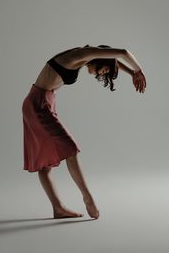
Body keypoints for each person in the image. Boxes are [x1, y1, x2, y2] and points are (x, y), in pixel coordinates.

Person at [22, 44, 147, 220]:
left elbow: (113, 60)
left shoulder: (86, 57)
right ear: (99, 59)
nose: (102, 74)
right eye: (103, 70)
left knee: (45, 164)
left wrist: (132, 73)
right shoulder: (82, 54)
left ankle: (58, 209)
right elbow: (123, 53)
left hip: (46, 102)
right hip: (37, 104)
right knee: (70, 149)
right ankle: (88, 198)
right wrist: (138, 70)